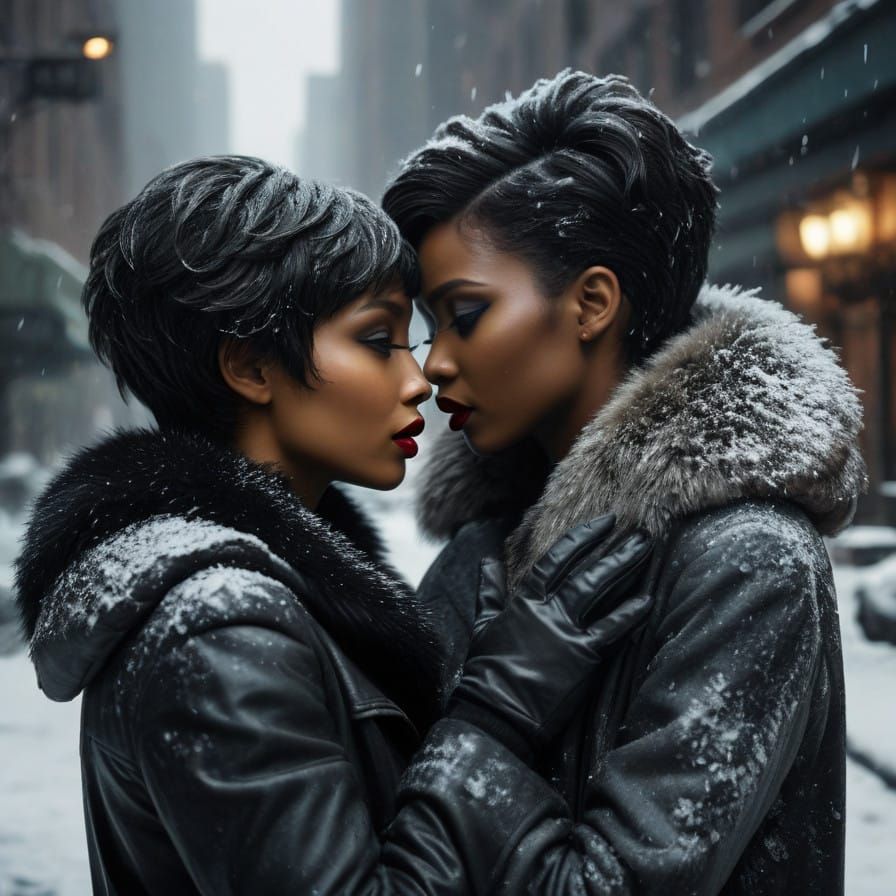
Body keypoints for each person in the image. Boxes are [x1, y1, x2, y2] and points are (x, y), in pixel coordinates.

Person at [14, 155, 653, 894]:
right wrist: (502, 706)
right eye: (378, 341)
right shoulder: (220, 630)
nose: (419, 377)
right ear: (252, 367)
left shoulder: (272, 596)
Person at [382, 71, 865, 894]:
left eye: (463, 315)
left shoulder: (750, 564)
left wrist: (483, 732)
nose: (436, 364)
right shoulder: (478, 553)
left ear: (591, 303)